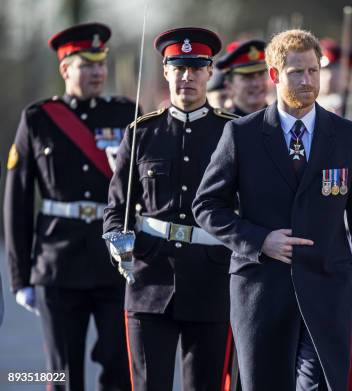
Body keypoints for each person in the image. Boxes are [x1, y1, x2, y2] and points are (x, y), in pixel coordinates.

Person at [192, 29, 352, 391]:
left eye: (313, 71)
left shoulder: (348, 136)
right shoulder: (241, 135)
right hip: (261, 293)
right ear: (275, 75)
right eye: (297, 72)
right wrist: (259, 240)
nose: (307, 80)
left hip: (327, 291)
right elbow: (206, 205)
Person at [103, 27, 237, 391]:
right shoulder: (141, 133)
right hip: (150, 279)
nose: (187, 77)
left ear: (210, 72)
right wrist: (117, 241)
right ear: (165, 71)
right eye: (178, 67)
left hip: (212, 281)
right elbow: (117, 207)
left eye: (196, 68)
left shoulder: (233, 133)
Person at [3, 22, 134, 390]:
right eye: (87, 64)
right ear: (65, 69)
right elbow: (18, 202)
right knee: (61, 373)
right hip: (57, 265)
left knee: (119, 368)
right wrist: (20, 276)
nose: (97, 72)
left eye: (101, 63)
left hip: (114, 262)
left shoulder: (127, 113)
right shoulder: (39, 119)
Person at [217, 39, 268, 116]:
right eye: (248, 77)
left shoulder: (285, 121)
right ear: (229, 86)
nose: (257, 84)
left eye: (261, 74)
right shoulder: (223, 126)